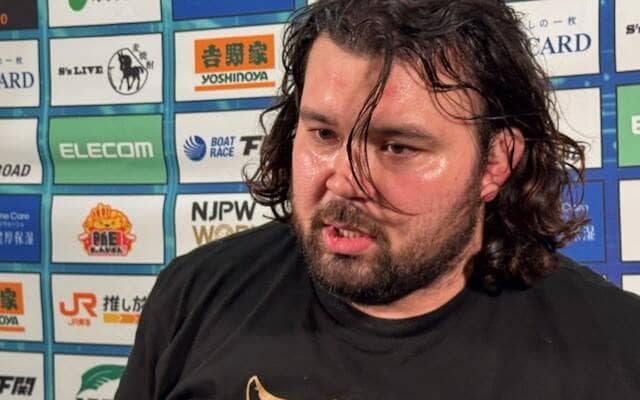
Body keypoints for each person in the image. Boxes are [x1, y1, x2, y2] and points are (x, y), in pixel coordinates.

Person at [116, 0, 640, 398]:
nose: (344, 181)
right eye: (323, 134)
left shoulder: (616, 351)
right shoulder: (193, 297)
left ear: (495, 162)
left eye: (397, 147)